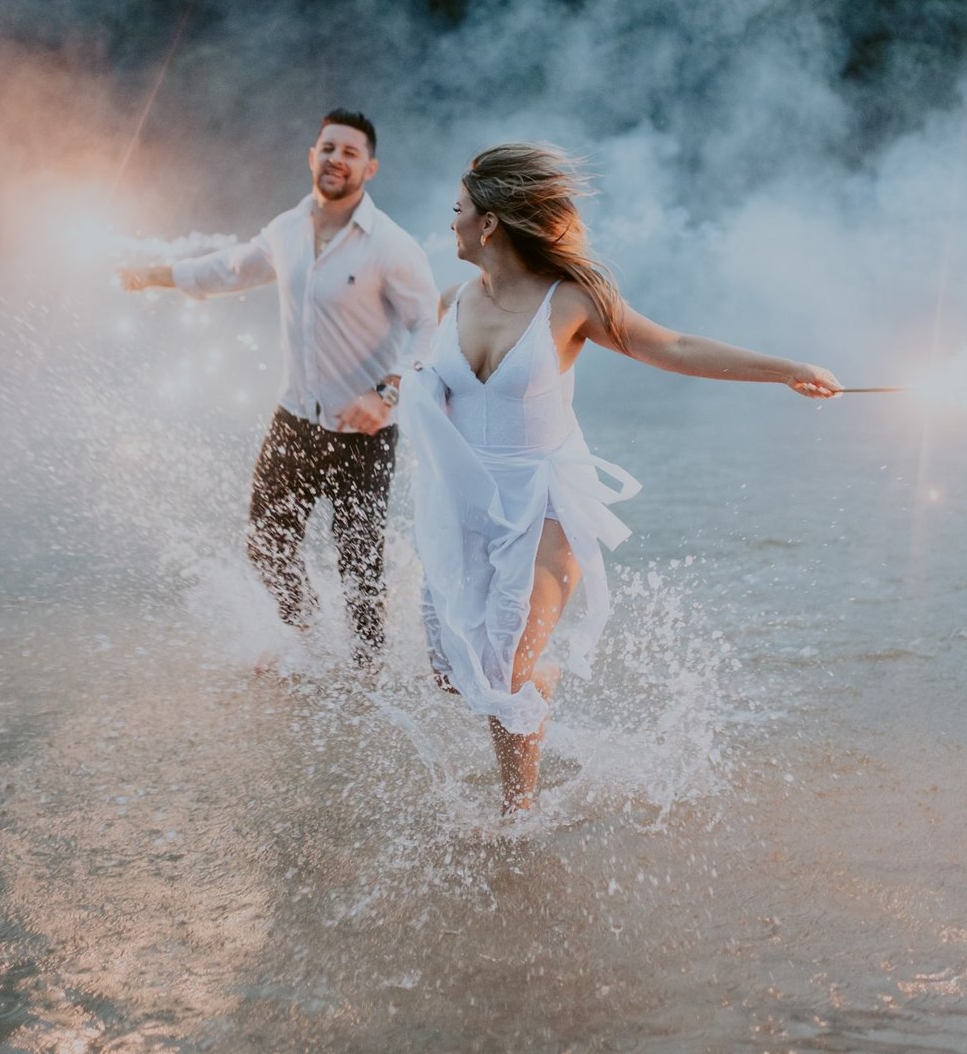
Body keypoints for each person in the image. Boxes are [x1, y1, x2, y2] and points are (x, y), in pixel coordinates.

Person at [400, 143, 840, 813]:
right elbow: (425, 389)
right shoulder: (449, 302)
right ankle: (536, 686)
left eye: (457, 210)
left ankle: (517, 813)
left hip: (545, 498)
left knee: (502, 667)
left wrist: (785, 368)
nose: (450, 222)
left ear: (488, 222)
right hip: (463, 502)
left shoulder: (570, 300)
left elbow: (674, 346)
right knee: (449, 668)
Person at [119, 110, 439, 670]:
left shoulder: (391, 245)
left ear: (371, 167)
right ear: (312, 156)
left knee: (360, 565)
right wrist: (154, 274)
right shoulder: (286, 230)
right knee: (266, 547)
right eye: (328, 148)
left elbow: (431, 327)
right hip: (294, 420)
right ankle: (310, 640)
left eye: (350, 152)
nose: (337, 159)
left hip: (364, 431)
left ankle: (368, 676)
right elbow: (228, 270)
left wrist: (388, 394)